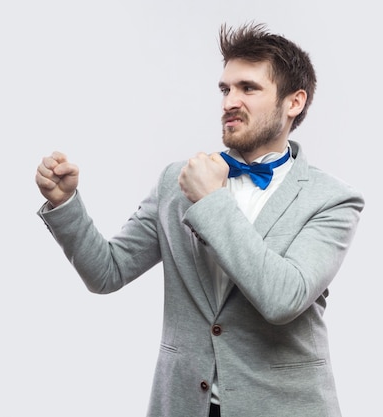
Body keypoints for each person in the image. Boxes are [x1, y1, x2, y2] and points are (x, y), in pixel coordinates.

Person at [35, 22, 364, 417]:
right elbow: (107, 272)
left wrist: (210, 200)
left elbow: (283, 298)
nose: (229, 101)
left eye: (248, 88)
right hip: (184, 403)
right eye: (225, 89)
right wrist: (66, 203)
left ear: (293, 103)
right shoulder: (176, 182)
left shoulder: (332, 199)